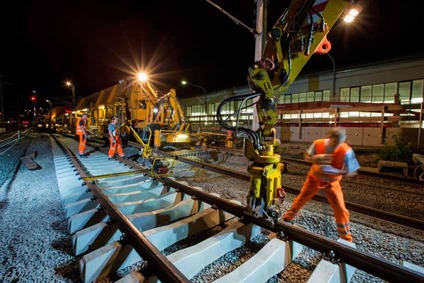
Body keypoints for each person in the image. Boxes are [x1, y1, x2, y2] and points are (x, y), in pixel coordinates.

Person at [283, 127, 360, 242]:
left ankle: (345, 237)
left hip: (331, 182)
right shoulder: (318, 144)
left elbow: (352, 171)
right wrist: (315, 158)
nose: (336, 145)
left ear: (343, 140)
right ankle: (287, 219)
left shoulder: (346, 151)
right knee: (301, 199)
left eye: (339, 143)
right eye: (334, 142)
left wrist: (336, 171)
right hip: (314, 179)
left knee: (340, 208)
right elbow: (307, 157)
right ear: (329, 138)